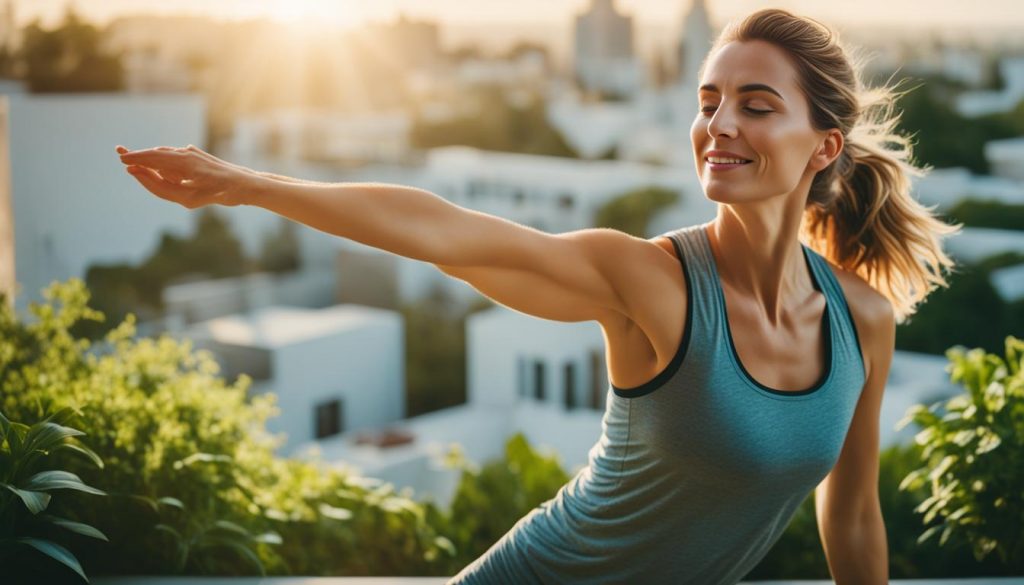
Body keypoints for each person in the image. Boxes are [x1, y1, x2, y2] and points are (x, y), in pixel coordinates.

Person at [116, 8, 960, 584]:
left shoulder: (863, 320)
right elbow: (445, 230)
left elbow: (850, 517)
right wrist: (247, 184)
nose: (720, 124)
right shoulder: (652, 282)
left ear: (824, 146)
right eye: (708, 102)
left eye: (756, 104)